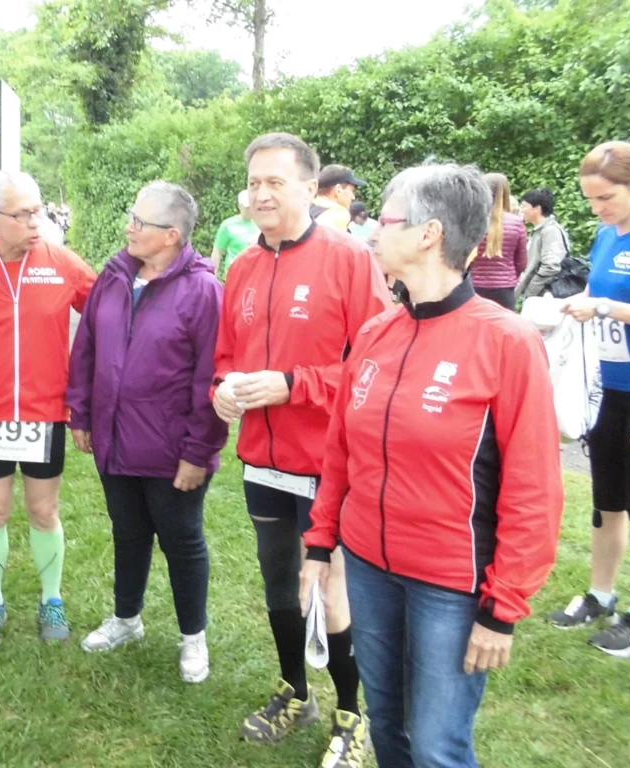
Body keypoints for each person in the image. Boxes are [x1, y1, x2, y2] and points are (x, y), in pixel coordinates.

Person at [299, 162, 564, 768]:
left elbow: (535, 489)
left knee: (438, 744)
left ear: (429, 234)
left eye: (384, 219)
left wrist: (503, 607)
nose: (370, 232)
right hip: (367, 565)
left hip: (451, 585)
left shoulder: (507, 342)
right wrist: (321, 542)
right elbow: (341, 451)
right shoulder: (375, 333)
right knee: (388, 724)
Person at [211, 133, 392, 764]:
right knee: (278, 583)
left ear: (310, 190)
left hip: (328, 463)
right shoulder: (242, 267)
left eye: (275, 182)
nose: (261, 193)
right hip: (262, 461)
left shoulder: (348, 259)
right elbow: (227, 359)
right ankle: (295, 690)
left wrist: (293, 384)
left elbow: (375, 367)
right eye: (254, 182)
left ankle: (352, 713)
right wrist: (222, 393)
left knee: (332, 589)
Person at [67, 181, 227, 683]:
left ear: (172, 236)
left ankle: (192, 639)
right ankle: (126, 618)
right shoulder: (114, 277)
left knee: (182, 540)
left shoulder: (203, 291)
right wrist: (81, 413)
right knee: (127, 532)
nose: (129, 228)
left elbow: (211, 378)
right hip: (115, 439)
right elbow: (86, 348)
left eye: (140, 222)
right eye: (131, 217)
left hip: (172, 449)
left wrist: (198, 452)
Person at [0, 170, 96, 648]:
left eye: (38, 209)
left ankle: (52, 600)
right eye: (23, 213)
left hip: (46, 413)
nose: (35, 221)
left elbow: (106, 310)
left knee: (44, 511)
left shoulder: (60, 261)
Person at [549, 140, 630, 657]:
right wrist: (578, 304)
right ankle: (600, 594)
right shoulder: (604, 235)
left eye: (606, 198)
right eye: (591, 200)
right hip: (606, 389)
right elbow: (598, 294)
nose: (598, 209)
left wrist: (609, 306)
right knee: (605, 501)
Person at [467, 172, 527, 311]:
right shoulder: (517, 223)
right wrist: (509, 277)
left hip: (474, 287)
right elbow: (522, 262)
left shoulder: (472, 222)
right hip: (504, 289)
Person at [516, 187, 570, 299]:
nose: (521, 210)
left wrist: (531, 291)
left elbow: (551, 266)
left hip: (546, 295)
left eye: (524, 206)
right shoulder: (540, 230)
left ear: (537, 209)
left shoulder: (550, 230)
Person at [211, 189, 260, 279]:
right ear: (239, 206)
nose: (249, 210)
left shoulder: (261, 223)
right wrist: (213, 276)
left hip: (255, 277)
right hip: (234, 277)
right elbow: (217, 251)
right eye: (247, 207)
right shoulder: (228, 225)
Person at [312, 164, 366, 232]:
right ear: (338, 189)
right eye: (351, 191)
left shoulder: (306, 206)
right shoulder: (339, 214)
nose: (353, 197)